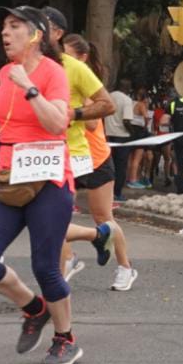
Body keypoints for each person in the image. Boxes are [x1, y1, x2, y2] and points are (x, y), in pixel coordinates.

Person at [0, 6, 82, 364]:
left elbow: (55, 123)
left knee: (46, 266)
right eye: (3, 26)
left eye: (14, 26)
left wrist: (30, 88)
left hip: (49, 180)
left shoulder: (53, 73)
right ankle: (34, 308)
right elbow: (14, 120)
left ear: (35, 35)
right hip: (11, 177)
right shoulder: (5, 73)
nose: (5, 33)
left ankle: (66, 340)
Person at [60, 34, 137, 290]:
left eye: (68, 56)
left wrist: (76, 104)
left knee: (103, 217)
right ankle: (68, 260)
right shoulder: (58, 78)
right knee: (55, 214)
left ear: (82, 59)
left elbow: (92, 122)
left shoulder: (86, 82)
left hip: (95, 157)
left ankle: (125, 267)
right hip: (68, 157)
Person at [105, 78, 132, 202]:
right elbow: (126, 120)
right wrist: (132, 132)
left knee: (109, 166)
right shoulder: (127, 100)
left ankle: (107, 192)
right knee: (121, 167)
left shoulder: (108, 96)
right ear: (127, 88)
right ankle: (117, 193)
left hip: (108, 135)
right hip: (122, 137)